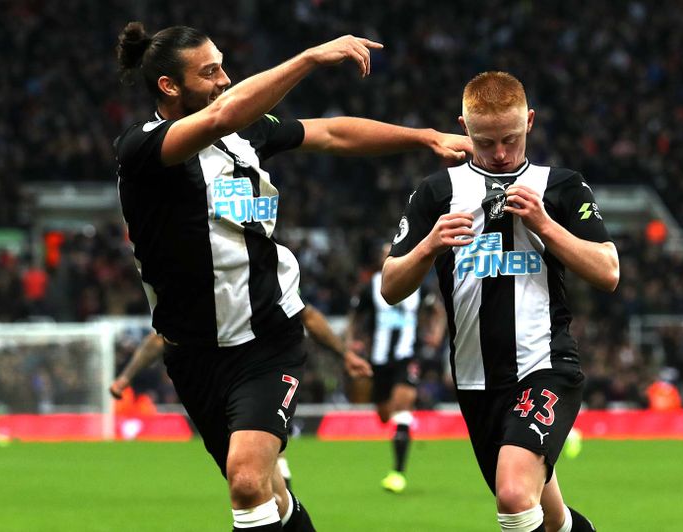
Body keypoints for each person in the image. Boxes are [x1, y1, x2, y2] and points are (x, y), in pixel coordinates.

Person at [113, 21, 469, 530]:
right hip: (194, 354)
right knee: (272, 499)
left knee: (246, 481)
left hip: (268, 339)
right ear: (169, 87)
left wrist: (424, 137)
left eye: (222, 65)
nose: (224, 78)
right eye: (209, 71)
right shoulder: (143, 149)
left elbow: (330, 132)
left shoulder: (244, 134)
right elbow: (219, 115)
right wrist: (309, 58)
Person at [380, 71, 617, 532]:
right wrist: (428, 245)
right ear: (463, 127)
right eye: (486, 142)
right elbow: (390, 286)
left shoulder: (562, 186)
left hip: (546, 364)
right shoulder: (437, 193)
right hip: (475, 381)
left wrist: (546, 226)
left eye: (511, 138)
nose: (501, 153)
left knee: (512, 495)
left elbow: (608, 271)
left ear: (530, 121)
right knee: (551, 519)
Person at [109, 306, 373, 490]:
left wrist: (345, 355)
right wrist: (125, 378)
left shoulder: (272, 266)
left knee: (252, 476)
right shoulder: (190, 276)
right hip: (212, 377)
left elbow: (307, 315)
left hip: (264, 367)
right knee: (253, 478)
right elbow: (161, 337)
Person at [346, 243, 445, 493]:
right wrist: (351, 342)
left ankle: (397, 473)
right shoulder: (372, 285)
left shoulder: (418, 282)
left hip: (407, 355)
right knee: (384, 414)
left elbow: (437, 311)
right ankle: (404, 425)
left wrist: (435, 333)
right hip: (379, 359)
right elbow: (356, 315)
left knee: (402, 407)